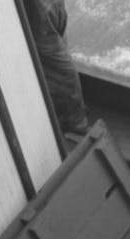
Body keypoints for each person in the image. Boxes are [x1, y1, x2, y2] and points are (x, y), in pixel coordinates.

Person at [25, 0, 90, 137]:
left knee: (59, 56)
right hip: (42, 13)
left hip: (52, 8)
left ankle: (63, 111)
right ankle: (75, 123)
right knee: (65, 71)